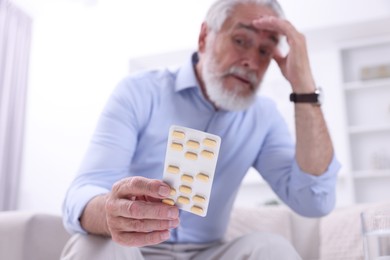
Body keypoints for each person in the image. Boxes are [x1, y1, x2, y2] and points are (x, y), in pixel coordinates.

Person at [61, 0, 341, 259]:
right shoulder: (140, 91)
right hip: (132, 250)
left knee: (272, 249)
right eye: (240, 40)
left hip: (208, 253)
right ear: (205, 37)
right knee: (92, 246)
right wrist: (111, 213)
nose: (252, 62)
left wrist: (304, 88)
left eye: (265, 51)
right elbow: (83, 191)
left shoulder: (264, 116)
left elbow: (315, 202)